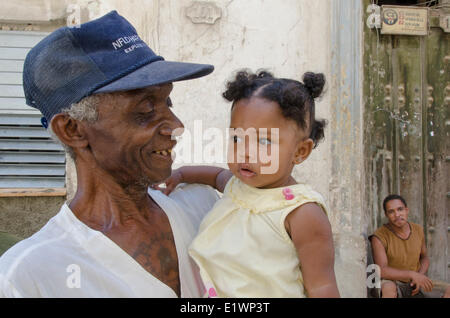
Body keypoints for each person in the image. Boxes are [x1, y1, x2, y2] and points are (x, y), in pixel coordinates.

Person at [0, 11, 219, 297]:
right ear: (72, 130)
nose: (176, 126)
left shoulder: (203, 206)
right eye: (145, 109)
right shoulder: (27, 277)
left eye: (167, 100)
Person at [157, 70, 340, 298]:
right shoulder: (238, 186)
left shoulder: (301, 212)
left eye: (263, 141)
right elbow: (215, 176)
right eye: (237, 138)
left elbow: (322, 286)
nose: (245, 152)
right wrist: (182, 174)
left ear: (300, 151)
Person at [371, 194, 450, 298]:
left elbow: (424, 257)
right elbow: (382, 271)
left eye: (400, 209)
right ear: (386, 214)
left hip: (414, 281)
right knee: (388, 288)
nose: (397, 214)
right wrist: (411, 274)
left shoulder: (418, 230)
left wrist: (419, 276)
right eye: (391, 212)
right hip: (393, 282)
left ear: (407, 210)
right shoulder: (379, 236)